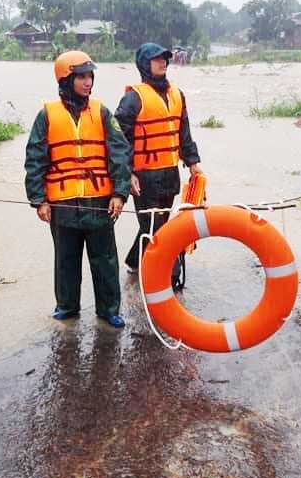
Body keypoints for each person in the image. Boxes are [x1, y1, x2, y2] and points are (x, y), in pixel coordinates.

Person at [24, 50, 132, 328]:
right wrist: (39, 200)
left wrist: (119, 194)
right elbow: (35, 158)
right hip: (62, 204)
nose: (87, 82)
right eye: (81, 76)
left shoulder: (102, 112)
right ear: (65, 79)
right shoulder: (46, 115)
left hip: (99, 202)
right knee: (66, 260)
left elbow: (120, 154)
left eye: (89, 76)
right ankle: (67, 307)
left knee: (105, 260)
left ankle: (109, 310)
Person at [115, 42, 202, 291]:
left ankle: (133, 262)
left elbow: (183, 132)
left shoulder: (177, 95)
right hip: (144, 176)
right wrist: (127, 172)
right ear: (145, 63)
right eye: (156, 59)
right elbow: (119, 140)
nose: (163, 62)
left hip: (169, 175)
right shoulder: (133, 98)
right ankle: (168, 277)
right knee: (157, 228)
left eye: (165, 58)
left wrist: (193, 162)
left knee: (158, 221)